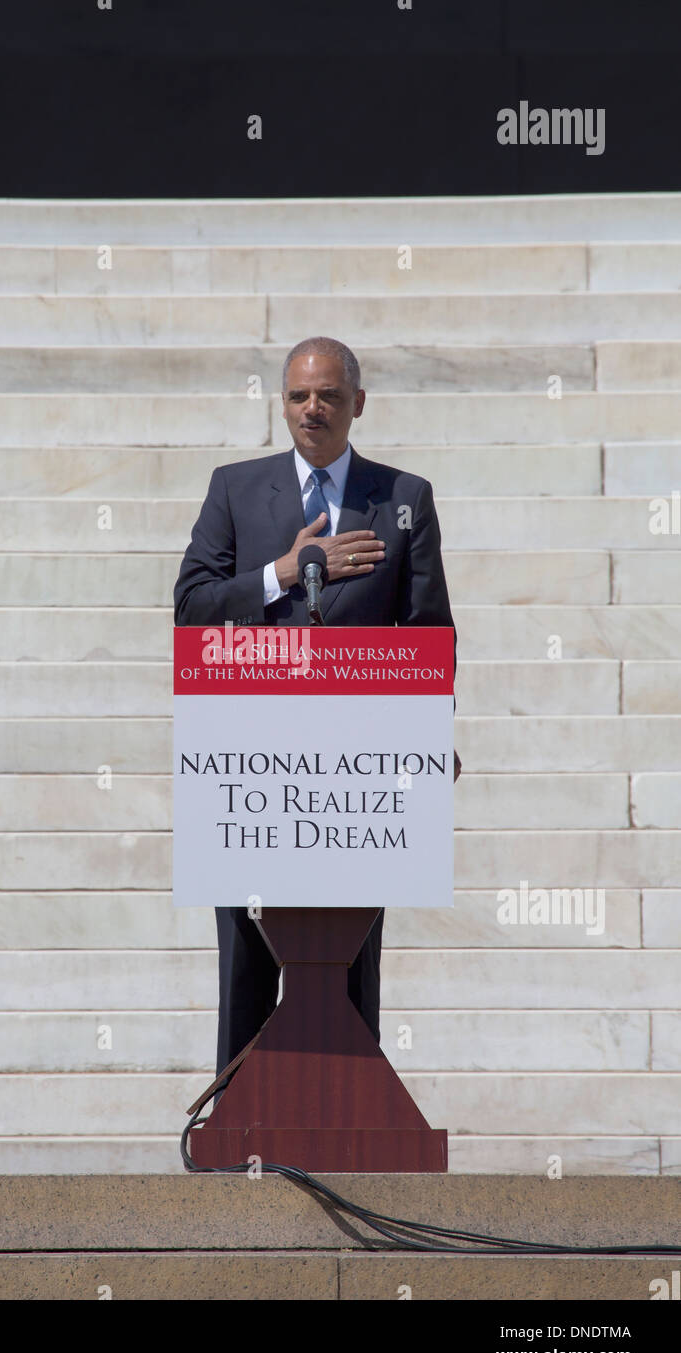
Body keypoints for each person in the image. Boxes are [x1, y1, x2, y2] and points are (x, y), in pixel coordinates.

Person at [174, 336, 460, 1080]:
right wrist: (280, 571)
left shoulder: (403, 497)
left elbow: (426, 631)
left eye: (329, 395)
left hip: (354, 775)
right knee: (245, 951)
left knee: (348, 951)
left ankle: (350, 1118)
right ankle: (234, 1124)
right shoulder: (236, 489)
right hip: (252, 762)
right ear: (282, 402)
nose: (313, 409)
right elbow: (192, 608)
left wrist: (430, 733)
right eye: (299, 395)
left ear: (356, 404)